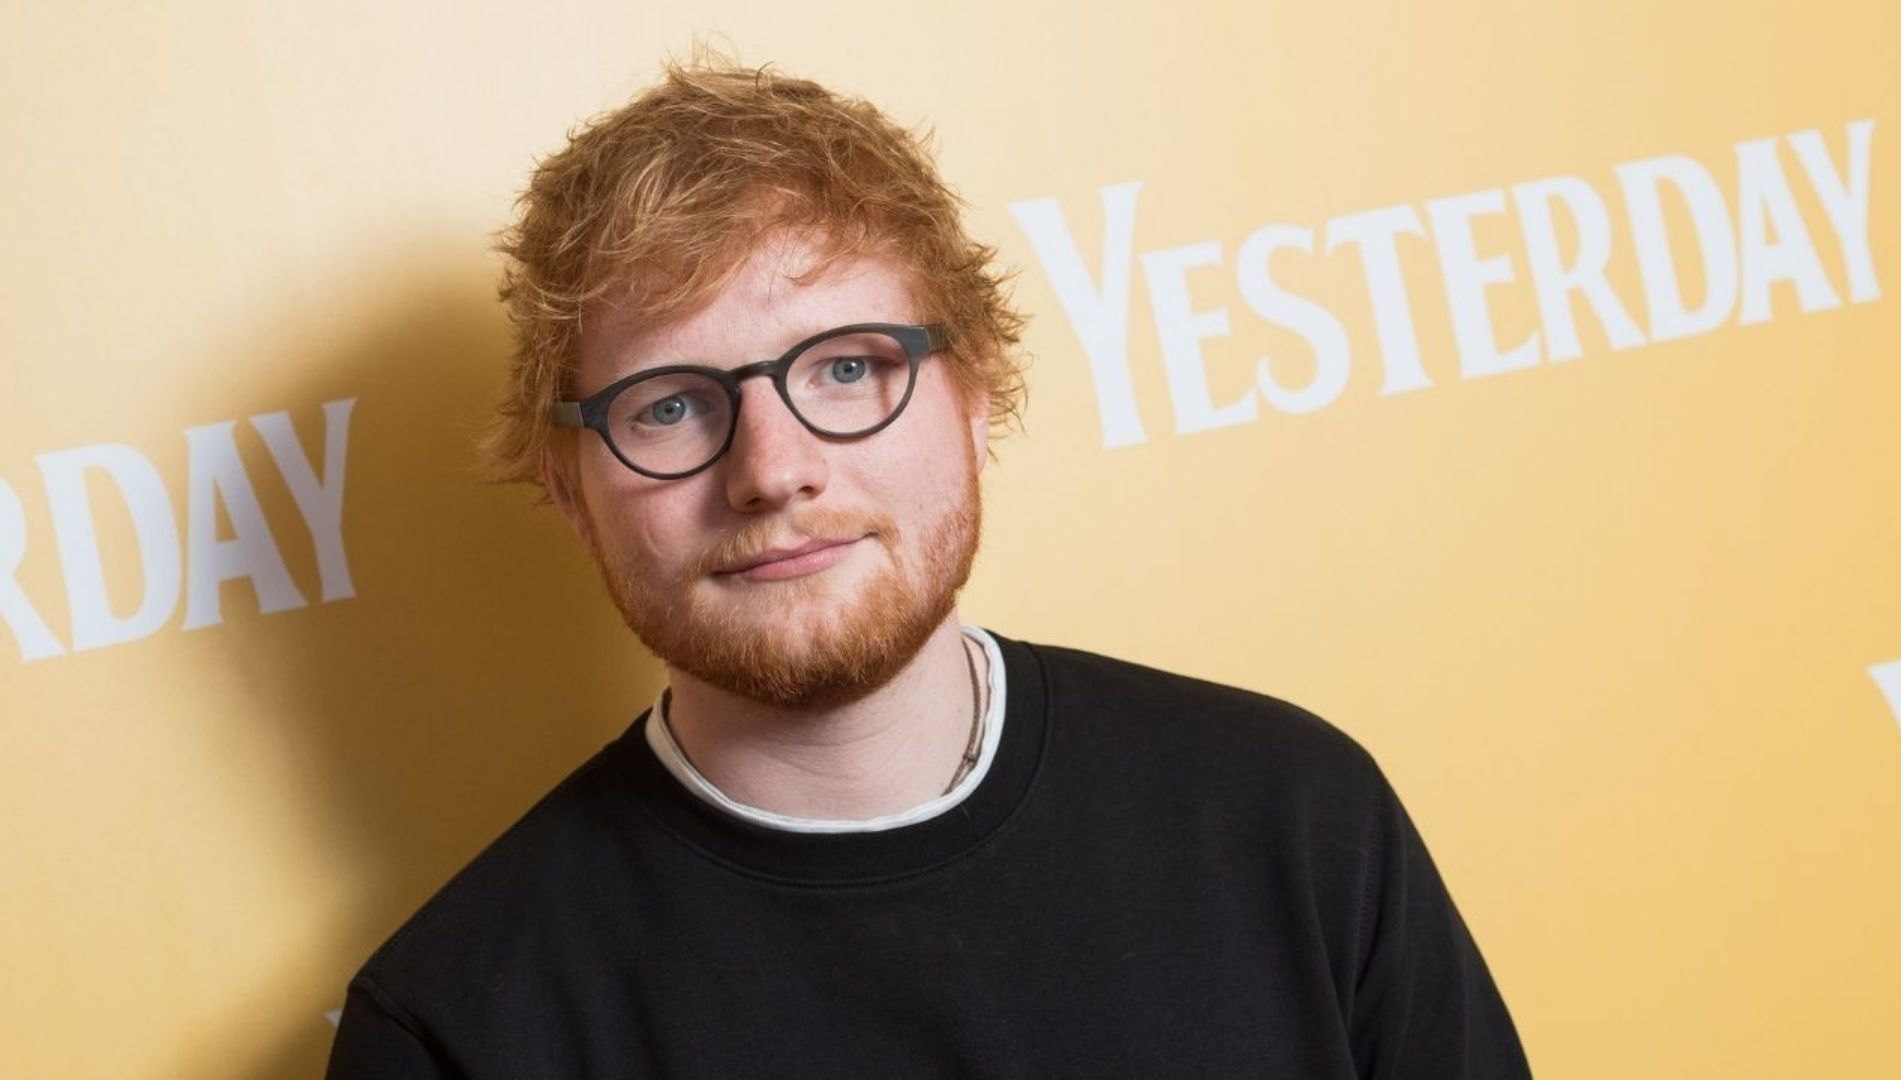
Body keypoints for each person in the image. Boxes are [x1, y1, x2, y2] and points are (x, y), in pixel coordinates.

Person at [326, 59, 1531, 1078]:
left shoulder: (1291, 819)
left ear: (976, 390)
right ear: (565, 486)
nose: (773, 470)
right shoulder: (456, 1032)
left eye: (847, 368)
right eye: (672, 406)